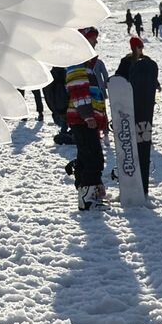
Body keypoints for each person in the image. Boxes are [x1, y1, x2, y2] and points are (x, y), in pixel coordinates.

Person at [64, 27, 109, 210]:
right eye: (92, 39)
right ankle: (88, 199)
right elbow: (78, 90)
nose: (96, 42)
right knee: (93, 158)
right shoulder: (78, 62)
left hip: (86, 120)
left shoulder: (85, 64)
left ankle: (88, 195)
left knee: (87, 157)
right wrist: (88, 116)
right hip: (82, 120)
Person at [114, 36, 161, 192]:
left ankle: (144, 142)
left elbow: (151, 77)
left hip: (145, 100)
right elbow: (118, 79)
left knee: (143, 127)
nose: (141, 50)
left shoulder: (146, 61)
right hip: (130, 102)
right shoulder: (126, 62)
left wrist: (156, 85)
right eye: (139, 47)